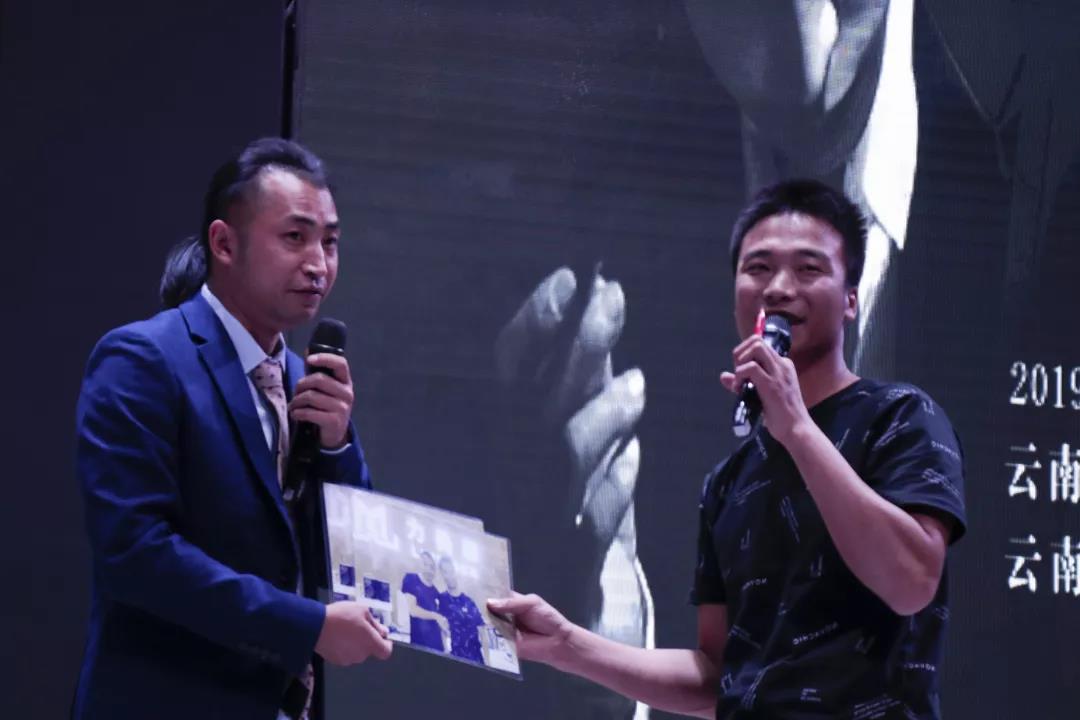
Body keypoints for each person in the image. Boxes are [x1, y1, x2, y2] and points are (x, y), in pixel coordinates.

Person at [490, 179, 967, 719]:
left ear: (851, 300)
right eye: (758, 268)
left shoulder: (901, 417)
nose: (778, 288)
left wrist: (797, 427)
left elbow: (912, 583)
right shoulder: (729, 481)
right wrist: (569, 645)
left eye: (808, 269)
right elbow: (717, 678)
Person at [72, 137, 393, 720]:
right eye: (294, 237)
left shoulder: (302, 377)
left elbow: (351, 565)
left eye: (330, 241)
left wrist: (337, 445)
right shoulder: (143, 358)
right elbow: (135, 554)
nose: (318, 264)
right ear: (224, 243)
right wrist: (307, 626)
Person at [436, 555, 487, 664]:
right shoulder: (443, 599)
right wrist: (445, 649)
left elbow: (482, 630)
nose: (449, 575)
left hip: (476, 658)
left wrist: (488, 662)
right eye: (445, 572)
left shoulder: (469, 600)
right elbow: (441, 627)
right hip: (457, 656)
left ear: (456, 571)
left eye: (451, 571)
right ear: (442, 574)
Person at [401, 550, 450, 652]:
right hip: (419, 646)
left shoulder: (436, 592)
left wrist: (446, 649)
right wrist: (435, 616)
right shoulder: (411, 579)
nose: (429, 569)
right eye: (425, 564)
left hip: (438, 649)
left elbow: (441, 626)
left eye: (432, 567)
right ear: (420, 564)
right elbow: (413, 610)